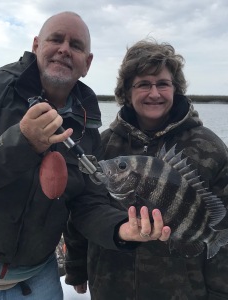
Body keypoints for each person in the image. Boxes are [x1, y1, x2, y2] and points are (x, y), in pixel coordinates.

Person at [0, 13, 171, 300]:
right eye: (56, 39)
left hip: (36, 278)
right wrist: (21, 143)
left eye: (76, 45)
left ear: (87, 63)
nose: (64, 49)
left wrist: (120, 230)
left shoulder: (89, 128)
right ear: (36, 46)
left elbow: (87, 203)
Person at [64, 39, 228, 299]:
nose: (154, 93)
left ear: (176, 89)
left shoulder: (209, 147)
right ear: (127, 92)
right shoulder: (103, 144)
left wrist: (220, 292)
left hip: (182, 291)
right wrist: (75, 268)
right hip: (110, 285)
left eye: (162, 83)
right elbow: (82, 208)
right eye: (143, 84)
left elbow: (224, 228)